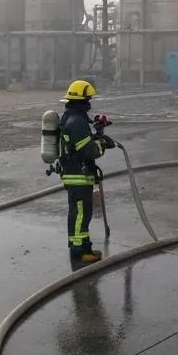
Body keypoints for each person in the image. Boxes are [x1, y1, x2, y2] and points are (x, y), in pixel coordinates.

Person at [56, 80, 112, 265]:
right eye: (87, 99)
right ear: (80, 101)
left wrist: (98, 133)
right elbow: (90, 151)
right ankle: (79, 251)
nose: (89, 103)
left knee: (80, 213)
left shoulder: (72, 118)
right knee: (81, 213)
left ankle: (81, 246)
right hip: (78, 175)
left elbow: (81, 144)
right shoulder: (77, 122)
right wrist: (102, 143)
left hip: (75, 173)